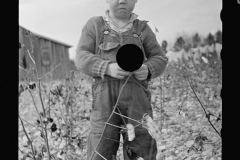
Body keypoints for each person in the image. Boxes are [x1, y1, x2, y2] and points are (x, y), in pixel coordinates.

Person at [75, 0, 168, 159]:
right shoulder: (95, 25)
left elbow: (160, 58)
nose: (122, 1)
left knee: (141, 145)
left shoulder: (143, 29)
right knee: (101, 146)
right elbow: (81, 56)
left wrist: (147, 69)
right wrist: (106, 67)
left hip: (137, 101)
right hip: (104, 103)